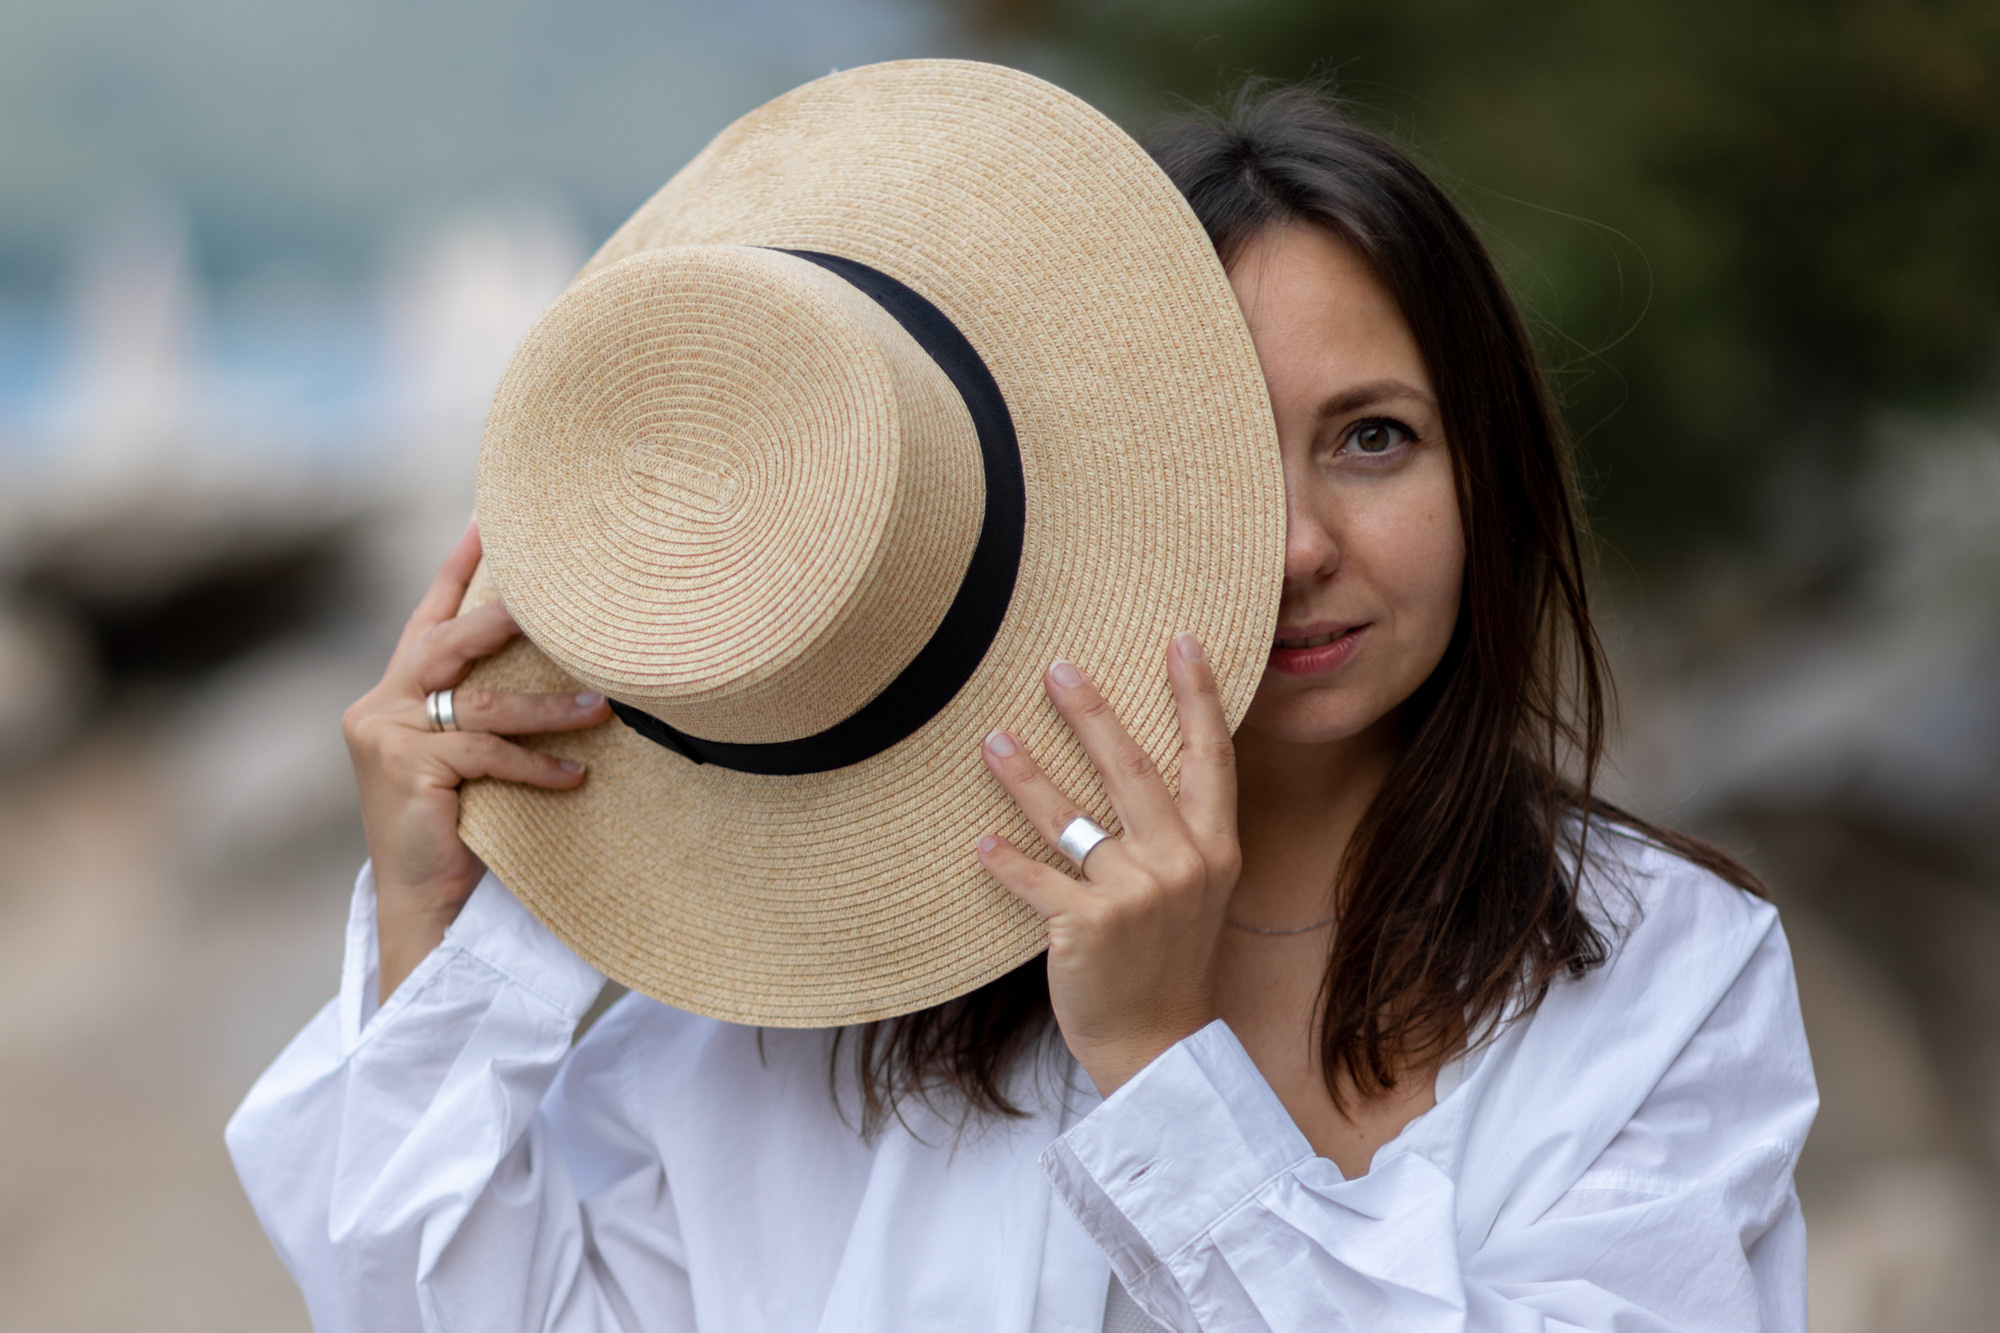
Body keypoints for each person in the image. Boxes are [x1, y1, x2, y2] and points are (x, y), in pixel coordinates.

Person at [228, 64, 1814, 1332]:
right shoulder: (821, 1000)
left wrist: (1162, 1070)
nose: (1300, 549)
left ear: (1494, 472)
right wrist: (440, 940)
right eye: (1218, 461)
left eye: (1375, 435)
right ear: (1090, 494)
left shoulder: (1658, 976)